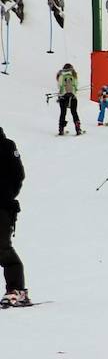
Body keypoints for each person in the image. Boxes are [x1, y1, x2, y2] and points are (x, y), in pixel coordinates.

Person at [0, 125, 30, 307]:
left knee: (2, 248)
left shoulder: (6, 145)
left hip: (2, 206)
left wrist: (7, 194)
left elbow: (18, 174)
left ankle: (17, 290)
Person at [55, 62, 83, 136]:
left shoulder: (61, 75)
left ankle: (61, 129)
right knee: (74, 112)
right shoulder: (74, 75)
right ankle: (78, 128)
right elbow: (76, 86)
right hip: (73, 96)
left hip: (63, 96)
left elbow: (59, 85)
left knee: (63, 113)